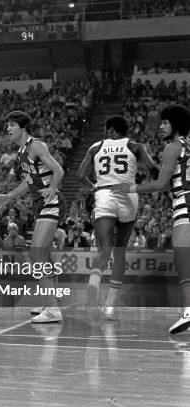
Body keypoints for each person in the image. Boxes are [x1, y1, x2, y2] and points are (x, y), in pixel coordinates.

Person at [113, 104, 190, 334]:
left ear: (175, 124)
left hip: (184, 205)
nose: (161, 126)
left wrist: (130, 187)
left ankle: (188, 311)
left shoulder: (172, 147)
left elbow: (161, 184)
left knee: (183, 260)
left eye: (165, 122)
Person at [76, 115, 159, 317]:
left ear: (111, 130)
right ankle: (111, 306)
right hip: (128, 195)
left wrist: (93, 186)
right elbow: (154, 171)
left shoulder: (95, 147)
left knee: (104, 250)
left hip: (104, 194)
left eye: (107, 129)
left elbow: (79, 176)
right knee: (119, 252)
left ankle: (92, 299)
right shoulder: (135, 146)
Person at [0, 110, 65, 323]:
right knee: (45, 256)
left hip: (50, 202)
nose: (8, 129)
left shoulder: (36, 145)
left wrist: (52, 188)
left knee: (35, 254)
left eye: (11, 125)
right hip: (40, 203)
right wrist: (9, 196)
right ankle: (51, 301)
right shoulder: (23, 151)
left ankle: (53, 310)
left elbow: (58, 170)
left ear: (22, 128)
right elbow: (29, 182)